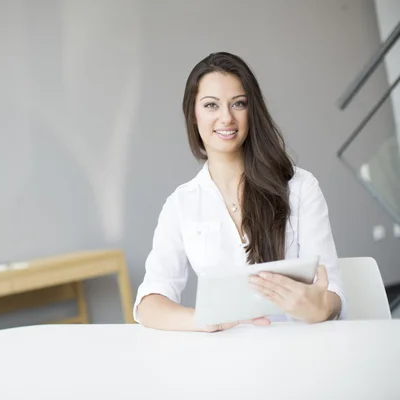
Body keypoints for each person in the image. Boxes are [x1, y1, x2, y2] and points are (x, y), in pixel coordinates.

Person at [134, 52, 346, 332]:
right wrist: (205, 320)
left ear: (252, 111)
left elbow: (331, 291)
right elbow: (150, 302)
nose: (226, 117)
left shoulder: (300, 188)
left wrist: (320, 306)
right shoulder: (181, 204)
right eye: (211, 105)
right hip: (223, 360)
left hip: (298, 350)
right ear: (193, 116)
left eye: (239, 104)